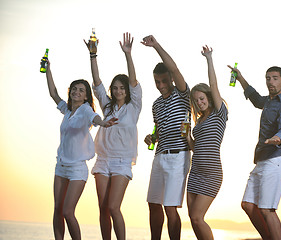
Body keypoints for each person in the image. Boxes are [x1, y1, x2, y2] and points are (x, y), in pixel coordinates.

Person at [45, 60, 117, 240]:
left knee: (68, 212)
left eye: (81, 90)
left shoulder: (85, 109)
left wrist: (104, 123)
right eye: (74, 89)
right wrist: (48, 70)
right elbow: (53, 93)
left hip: (77, 168)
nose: (77, 92)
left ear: (86, 96)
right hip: (60, 166)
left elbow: (96, 117)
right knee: (57, 209)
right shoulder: (68, 110)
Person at [228, 64, 281, 240]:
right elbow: (255, 98)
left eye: (275, 78)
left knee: (267, 209)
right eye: (268, 78)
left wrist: (279, 137)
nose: (271, 82)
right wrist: (240, 77)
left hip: (277, 157)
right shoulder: (268, 101)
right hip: (262, 158)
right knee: (248, 205)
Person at [83, 32, 142, 240]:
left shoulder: (133, 107)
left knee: (114, 207)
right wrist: (93, 55)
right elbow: (96, 81)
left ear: (127, 90)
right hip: (103, 160)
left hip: (122, 161)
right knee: (103, 209)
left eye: (121, 88)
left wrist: (128, 54)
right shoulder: (107, 107)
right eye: (115, 88)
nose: (118, 91)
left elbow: (133, 80)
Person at [142, 35, 191, 240]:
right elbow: (158, 128)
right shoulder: (156, 104)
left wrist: (156, 46)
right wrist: (152, 137)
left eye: (163, 80)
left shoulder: (181, 93)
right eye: (157, 81)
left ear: (170, 78)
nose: (161, 84)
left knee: (170, 208)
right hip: (160, 156)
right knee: (154, 203)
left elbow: (175, 68)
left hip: (179, 156)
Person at [184, 46, 228, 240]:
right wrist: (187, 137)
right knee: (192, 220)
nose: (200, 103)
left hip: (211, 174)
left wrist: (209, 59)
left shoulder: (219, 114)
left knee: (197, 217)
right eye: (196, 101)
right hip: (195, 173)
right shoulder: (199, 120)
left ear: (208, 97)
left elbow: (214, 84)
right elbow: (195, 147)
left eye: (202, 98)